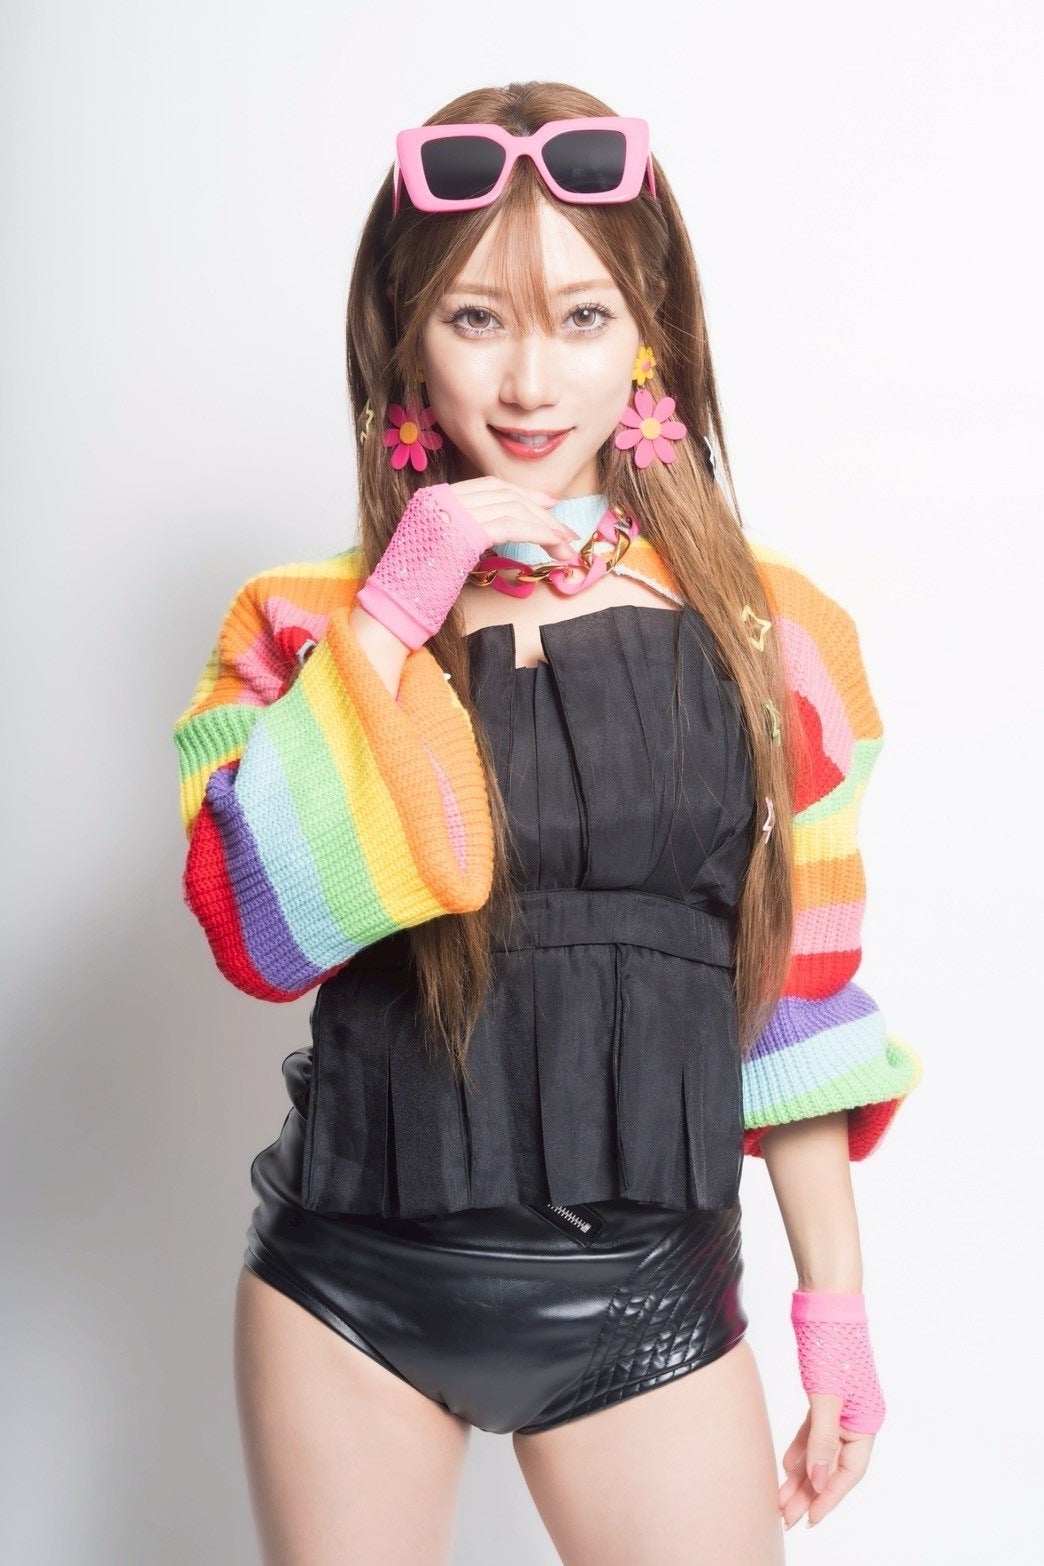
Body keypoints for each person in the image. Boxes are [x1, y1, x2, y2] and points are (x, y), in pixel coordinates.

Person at [173, 80, 923, 1566]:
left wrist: (831, 1312)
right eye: (476, 319)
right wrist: (395, 613)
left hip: (643, 1294)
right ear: (406, 340)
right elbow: (260, 932)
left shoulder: (776, 634)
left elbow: (797, 991)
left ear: (653, 332)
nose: (529, 380)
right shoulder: (300, 621)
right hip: (346, 1285)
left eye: (582, 317)